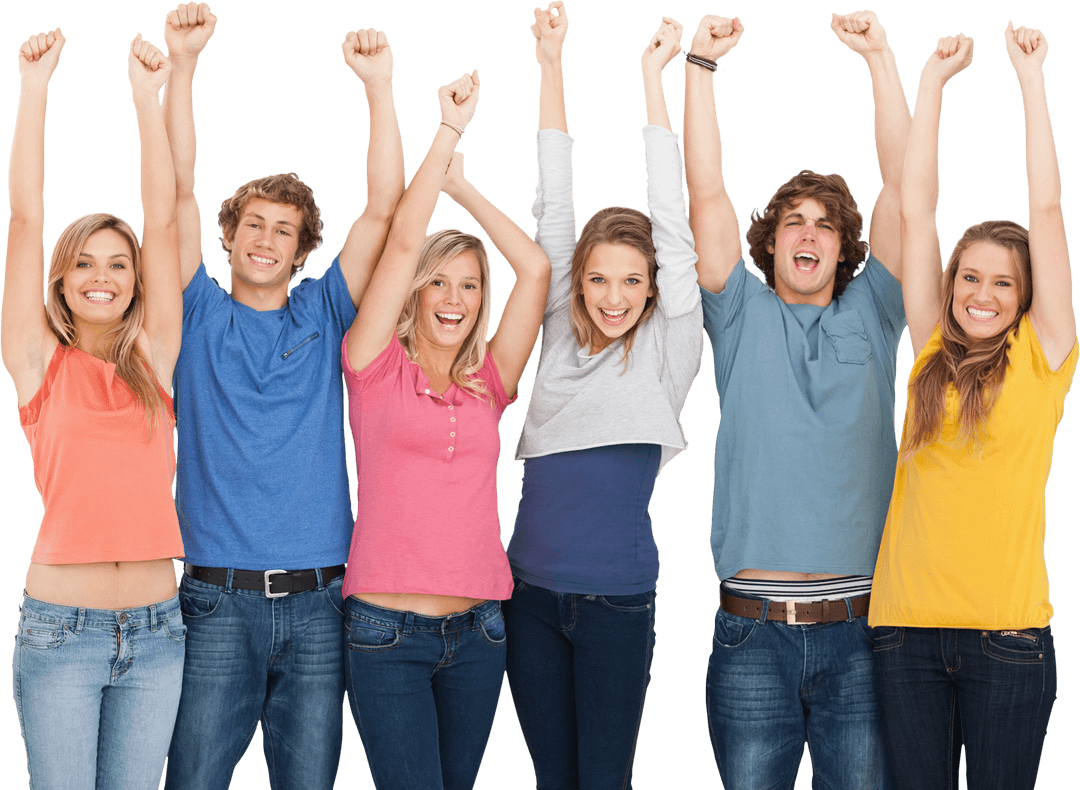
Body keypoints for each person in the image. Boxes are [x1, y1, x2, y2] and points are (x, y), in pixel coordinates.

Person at [157, 5, 405, 789]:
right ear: (229, 236)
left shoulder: (327, 311)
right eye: (254, 225)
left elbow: (385, 207)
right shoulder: (195, 310)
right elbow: (175, 190)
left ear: (304, 249)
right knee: (192, 779)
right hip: (214, 601)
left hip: (320, 604)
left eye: (284, 230)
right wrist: (185, 67)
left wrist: (379, 87)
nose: (266, 239)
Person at [685, 11, 911, 788]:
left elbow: (905, 188)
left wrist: (882, 60)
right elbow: (706, 189)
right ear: (770, 241)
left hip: (864, 633)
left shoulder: (877, 308)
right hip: (751, 635)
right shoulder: (741, 312)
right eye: (792, 223)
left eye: (824, 226)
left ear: (846, 247)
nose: (807, 234)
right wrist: (701, 69)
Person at [869, 25, 1076, 790]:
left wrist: (1031, 81)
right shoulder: (929, 351)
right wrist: (931, 83)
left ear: (1025, 300)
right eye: (970, 278)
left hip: (1008, 639)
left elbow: (1047, 210)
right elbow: (915, 207)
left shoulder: (1043, 358)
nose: (981, 295)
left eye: (1003, 284)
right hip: (903, 635)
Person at [504, 4, 703, 788]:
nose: (613, 297)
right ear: (577, 280)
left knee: (604, 779)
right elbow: (555, 197)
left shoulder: (667, 348)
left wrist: (653, 79)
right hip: (527, 597)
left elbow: (671, 216)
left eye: (631, 281)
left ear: (653, 287)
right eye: (597, 279)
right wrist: (550, 61)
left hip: (618, 602)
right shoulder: (555, 326)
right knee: (554, 779)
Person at [340, 63, 549, 790]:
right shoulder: (371, 366)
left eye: (469, 284)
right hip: (385, 633)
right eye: (439, 281)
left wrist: (466, 189)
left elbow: (536, 267)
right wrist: (449, 133)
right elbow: (400, 241)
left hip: (481, 631)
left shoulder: (488, 385)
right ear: (415, 290)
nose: (454, 298)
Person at [4, 29, 186, 789]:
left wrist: (149, 98)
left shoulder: (156, 359)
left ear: (137, 280)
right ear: (62, 279)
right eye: (84, 263)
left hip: (159, 633)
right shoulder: (37, 360)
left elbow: (165, 218)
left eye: (118, 263)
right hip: (60, 634)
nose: (102, 276)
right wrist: (35, 89)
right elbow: (24, 218)